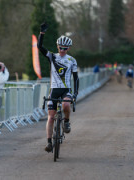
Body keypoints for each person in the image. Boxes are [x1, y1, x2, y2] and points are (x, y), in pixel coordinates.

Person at [38, 22, 79, 152]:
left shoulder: (72, 60)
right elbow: (39, 46)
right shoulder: (52, 56)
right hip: (54, 90)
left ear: (68, 49)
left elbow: (76, 78)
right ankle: (49, 142)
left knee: (66, 105)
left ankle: (66, 121)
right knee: (51, 117)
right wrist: (42, 33)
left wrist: (75, 94)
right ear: (57, 46)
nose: (62, 50)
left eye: (65, 48)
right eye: (60, 48)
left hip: (66, 90)